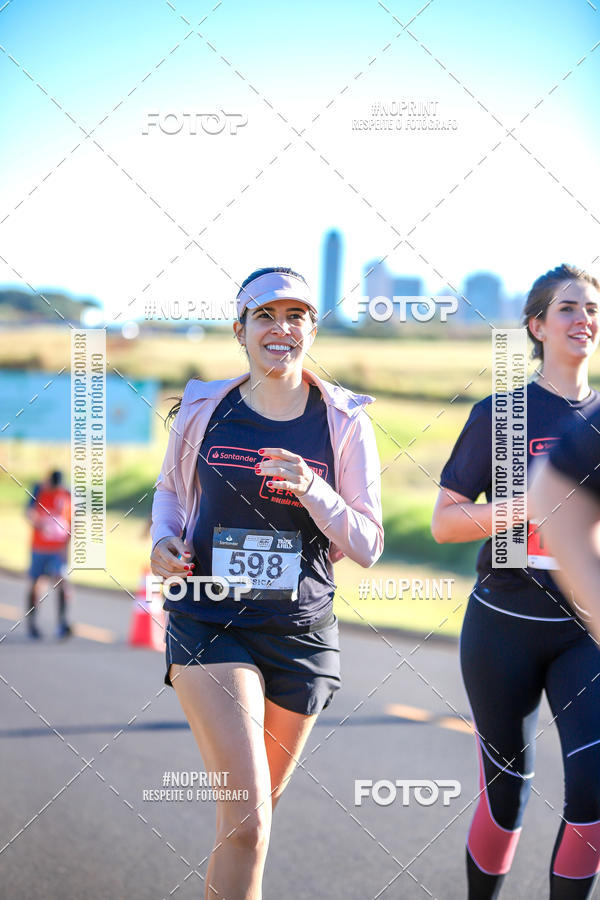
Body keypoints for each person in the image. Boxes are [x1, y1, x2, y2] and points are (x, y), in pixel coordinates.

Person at [150, 266, 383, 900]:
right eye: (265, 316)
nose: (281, 328)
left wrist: (314, 489)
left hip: (302, 633)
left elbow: (367, 542)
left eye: (297, 316)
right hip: (209, 621)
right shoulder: (205, 409)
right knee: (247, 820)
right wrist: (161, 544)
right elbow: (171, 492)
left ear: (311, 328)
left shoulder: (343, 423)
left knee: (251, 826)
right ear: (241, 330)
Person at [431, 263, 600, 898]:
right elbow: (445, 523)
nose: (584, 318)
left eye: (592, 308)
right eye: (568, 308)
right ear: (536, 326)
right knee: (508, 792)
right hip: (503, 623)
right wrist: (524, 507)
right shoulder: (501, 415)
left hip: (586, 630)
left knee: (592, 789)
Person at [529, 405, 600, 644]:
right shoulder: (500, 412)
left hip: (581, 632)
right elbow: (443, 527)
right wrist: (534, 506)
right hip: (511, 609)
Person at [25, 469, 73, 639]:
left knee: (62, 582)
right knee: (37, 584)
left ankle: (62, 623)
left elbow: (74, 521)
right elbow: (28, 513)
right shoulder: (39, 490)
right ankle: (32, 624)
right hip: (39, 547)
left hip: (58, 549)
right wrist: (40, 525)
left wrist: (67, 546)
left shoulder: (67, 493)